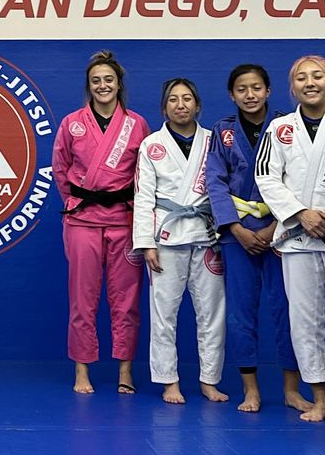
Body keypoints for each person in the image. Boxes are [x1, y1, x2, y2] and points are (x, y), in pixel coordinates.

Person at [255, 55, 325, 423]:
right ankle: (319, 396)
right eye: (301, 78)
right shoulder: (279, 128)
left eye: (317, 76)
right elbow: (266, 177)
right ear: (292, 87)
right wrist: (302, 214)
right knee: (303, 319)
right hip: (298, 237)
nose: (310, 83)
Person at [205, 64, 308, 414]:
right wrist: (235, 228)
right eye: (242, 89)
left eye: (256, 88)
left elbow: (297, 178)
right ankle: (251, 390)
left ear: (268, 90)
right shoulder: (222, 131)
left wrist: (277, 225)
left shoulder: (285, 126)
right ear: (232, 95)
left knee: (288, 309)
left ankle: (291, 389)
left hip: (281, 229)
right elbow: (215, 182)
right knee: (241, 312)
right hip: (238, 232)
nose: (250, 95)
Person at [53, 51, 149, 395]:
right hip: (83, 220)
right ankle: (82, 370)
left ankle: (125, 369)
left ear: (119, 84)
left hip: (124, 220)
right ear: (89, 86)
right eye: (96, 81)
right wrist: (76, 201)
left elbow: (145, 174)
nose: (103, 85)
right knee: (82, 299)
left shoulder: (136, 124)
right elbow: (60, 168)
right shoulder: (72, 123)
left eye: (109, 79)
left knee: (127, 300)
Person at [133, 78, 227, 405]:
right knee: (164, 313)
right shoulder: (151, 145)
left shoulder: (213, 141)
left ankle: (209, 380)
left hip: (207, 235)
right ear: (164, 108)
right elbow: (143, 197)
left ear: (197, 105)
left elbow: (225, 188)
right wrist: (146, 243)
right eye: (173, 99)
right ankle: (168, 380)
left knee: (213, 312)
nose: (180, 105)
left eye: (187, 98)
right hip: (166, 237)